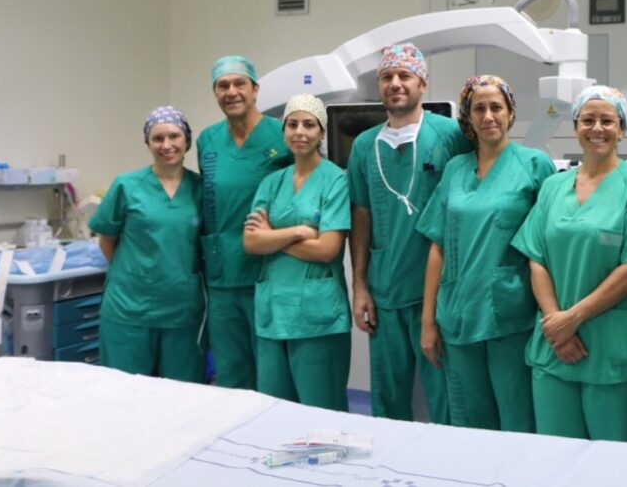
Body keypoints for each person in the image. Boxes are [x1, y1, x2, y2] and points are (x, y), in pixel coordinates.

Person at [510, 85, 627, 441]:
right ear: (576, 126)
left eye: (607, 121)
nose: (597, 128)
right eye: (588, 120)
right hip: (554, 350)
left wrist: (573, 318)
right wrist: (556, 326)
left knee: (613, 463)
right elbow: (536, 258)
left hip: (609, 351)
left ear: (622, 130)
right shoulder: (553, 186)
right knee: (556, 458)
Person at [416, 75, 555, 432]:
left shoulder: (534, 165)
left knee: (518, 420)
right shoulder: (455, 169)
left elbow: (550, 244)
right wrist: (428, 321)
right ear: (468, 117)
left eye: (497, 107)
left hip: (511, 316)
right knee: (470, 424)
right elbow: (437, 246)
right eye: (479, 108)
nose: (488, 116)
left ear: (510, 113)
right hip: (458, 316)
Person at [347, 43, 473, 422]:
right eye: (387, 77)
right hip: (385, 293)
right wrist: (360, 286)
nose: (395, 83)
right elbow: (361, 217)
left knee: (446, 399)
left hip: (439, 292)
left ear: (423, 84)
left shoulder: (450, 135)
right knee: (387, 401)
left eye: (405, 76)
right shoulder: (364, 146)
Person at [243, 94, 351, 410]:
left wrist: (271, 236)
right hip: (273, 312)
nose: (299, 132)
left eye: (308, 124)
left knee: (321, 411)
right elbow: (250, 243)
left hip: (317, 316)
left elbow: (327, 249)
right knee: (273, 411)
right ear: (284, 132)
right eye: (292, 124)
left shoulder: (335, 179)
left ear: (321, 132)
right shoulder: (271, 183)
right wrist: (298, 232)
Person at [89, 106, 205, 382]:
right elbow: (107, 240)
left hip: (182, 309)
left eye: (174, 136)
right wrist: (136, 274)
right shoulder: (127, 185)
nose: (166, 145)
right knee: (124, 392)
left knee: (184, 394)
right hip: (129, 307)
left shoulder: (200, 188)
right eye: (158, 138)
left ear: (187, 140)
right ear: (147, 143)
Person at [197, 55, 292, 389]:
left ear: (255, 89)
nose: (231, 92)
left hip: (268, 272)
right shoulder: (207, 140)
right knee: (230, 374)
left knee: (272, 373)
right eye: (223, 85)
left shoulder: (282, 135)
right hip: (221, 274)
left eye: (239, 84)